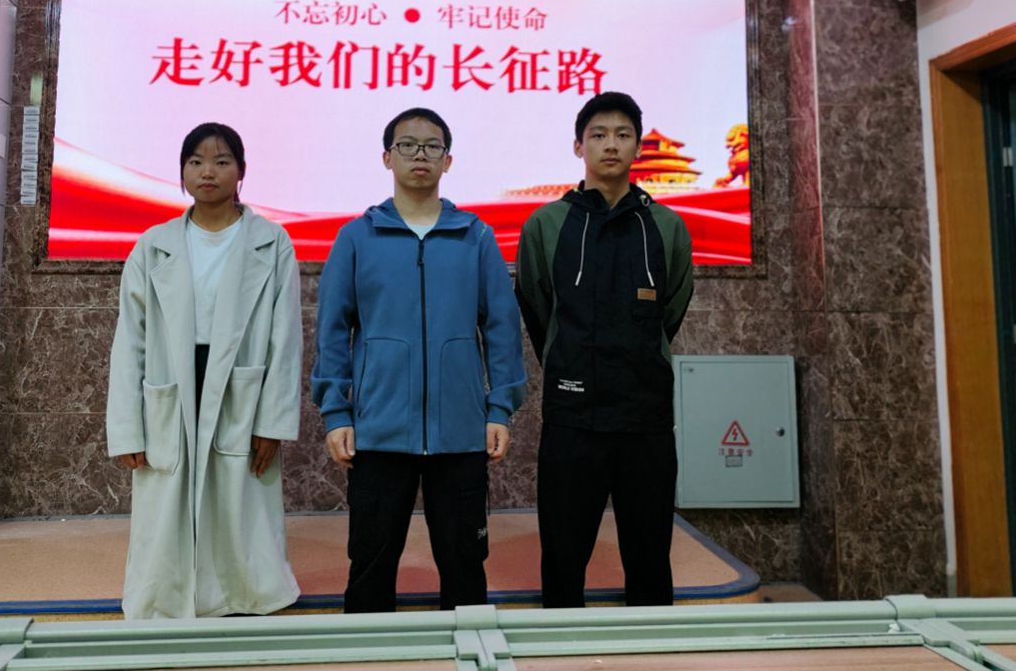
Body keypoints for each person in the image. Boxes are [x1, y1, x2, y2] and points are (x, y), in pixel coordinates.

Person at [312, 107, 527, 613]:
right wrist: (336, 413)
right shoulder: (357, 237)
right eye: (407, 145)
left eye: (432, 146)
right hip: (378, 430)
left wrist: (499, 409)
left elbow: (502, 327)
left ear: (448, 161)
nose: (419, 155)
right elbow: (332, 330)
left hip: (461, 432)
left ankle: (470, 649)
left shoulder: (475, 236)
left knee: (465, 562)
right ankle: (367, 650)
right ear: (387, 158)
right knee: (369, 561)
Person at [106, 122, 303, 620]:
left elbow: (285, 339)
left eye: (221, 161)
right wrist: (128, 427)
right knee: (166, 502)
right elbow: (130, 341)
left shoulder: (271, 242)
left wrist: (272, 422)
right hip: (173, 381)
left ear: (241, 171)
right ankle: (164, 596)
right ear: (182, 173)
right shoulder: (154, 244)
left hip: (241, 383)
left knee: (239, 500)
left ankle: (243, 595)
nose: (207, 171)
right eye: (195, 161)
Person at [514, 92, 694, 609]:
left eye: (622, 134)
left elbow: (671, 309)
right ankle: (560, 647)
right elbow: (538, 308)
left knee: (650, 557)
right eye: (598, 135)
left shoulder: (666, 226)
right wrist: (571, 357)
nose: (610, 144)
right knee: (563, 557)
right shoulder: (546, 224)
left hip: (646, 419)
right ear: (579, 146)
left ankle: (650, 647)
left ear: (637, 146)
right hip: (573, 419)